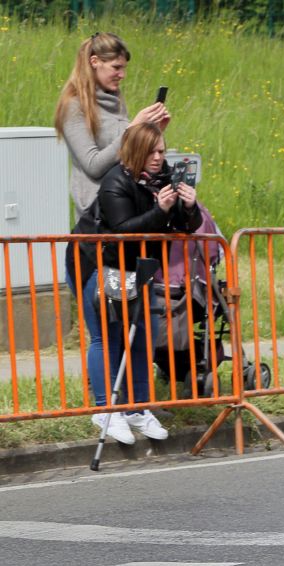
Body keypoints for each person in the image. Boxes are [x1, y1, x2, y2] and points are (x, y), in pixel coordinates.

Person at [86, 123, 201, 444]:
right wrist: (160, 209)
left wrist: (188, 207)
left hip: (141, 270)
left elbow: (183, 226)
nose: (159, 157)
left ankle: (137, 408)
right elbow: (125, 231)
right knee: (108, 337)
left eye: (162, 151)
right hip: (104, 265)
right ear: (136, 151)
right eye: (152, 151)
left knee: (142, 337)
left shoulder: (164, 178)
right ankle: (106, 410)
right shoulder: (115, 182)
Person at [54, 32, 170, 219]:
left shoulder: (115, 100)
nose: (122, 75)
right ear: (94, 62)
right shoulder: (73, 106)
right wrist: (132, 130)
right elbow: (93, 166)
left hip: (129, 202)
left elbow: (127, 158)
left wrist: (152, 134)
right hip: (98, 214)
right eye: (116, 67)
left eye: (124, 68)